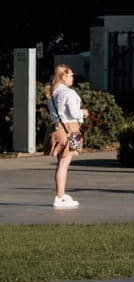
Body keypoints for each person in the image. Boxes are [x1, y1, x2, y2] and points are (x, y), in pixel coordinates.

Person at [47, 63, 87, 209]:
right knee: (64, 163)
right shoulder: (69, 93)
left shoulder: (52, 92)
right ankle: (60, 196)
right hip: (70, 128)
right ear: (64, 76)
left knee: (62, 162)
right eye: (71, 75)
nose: (72, 78)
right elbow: (75, 113)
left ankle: (61, 194)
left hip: (56, 127)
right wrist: (83, 113)